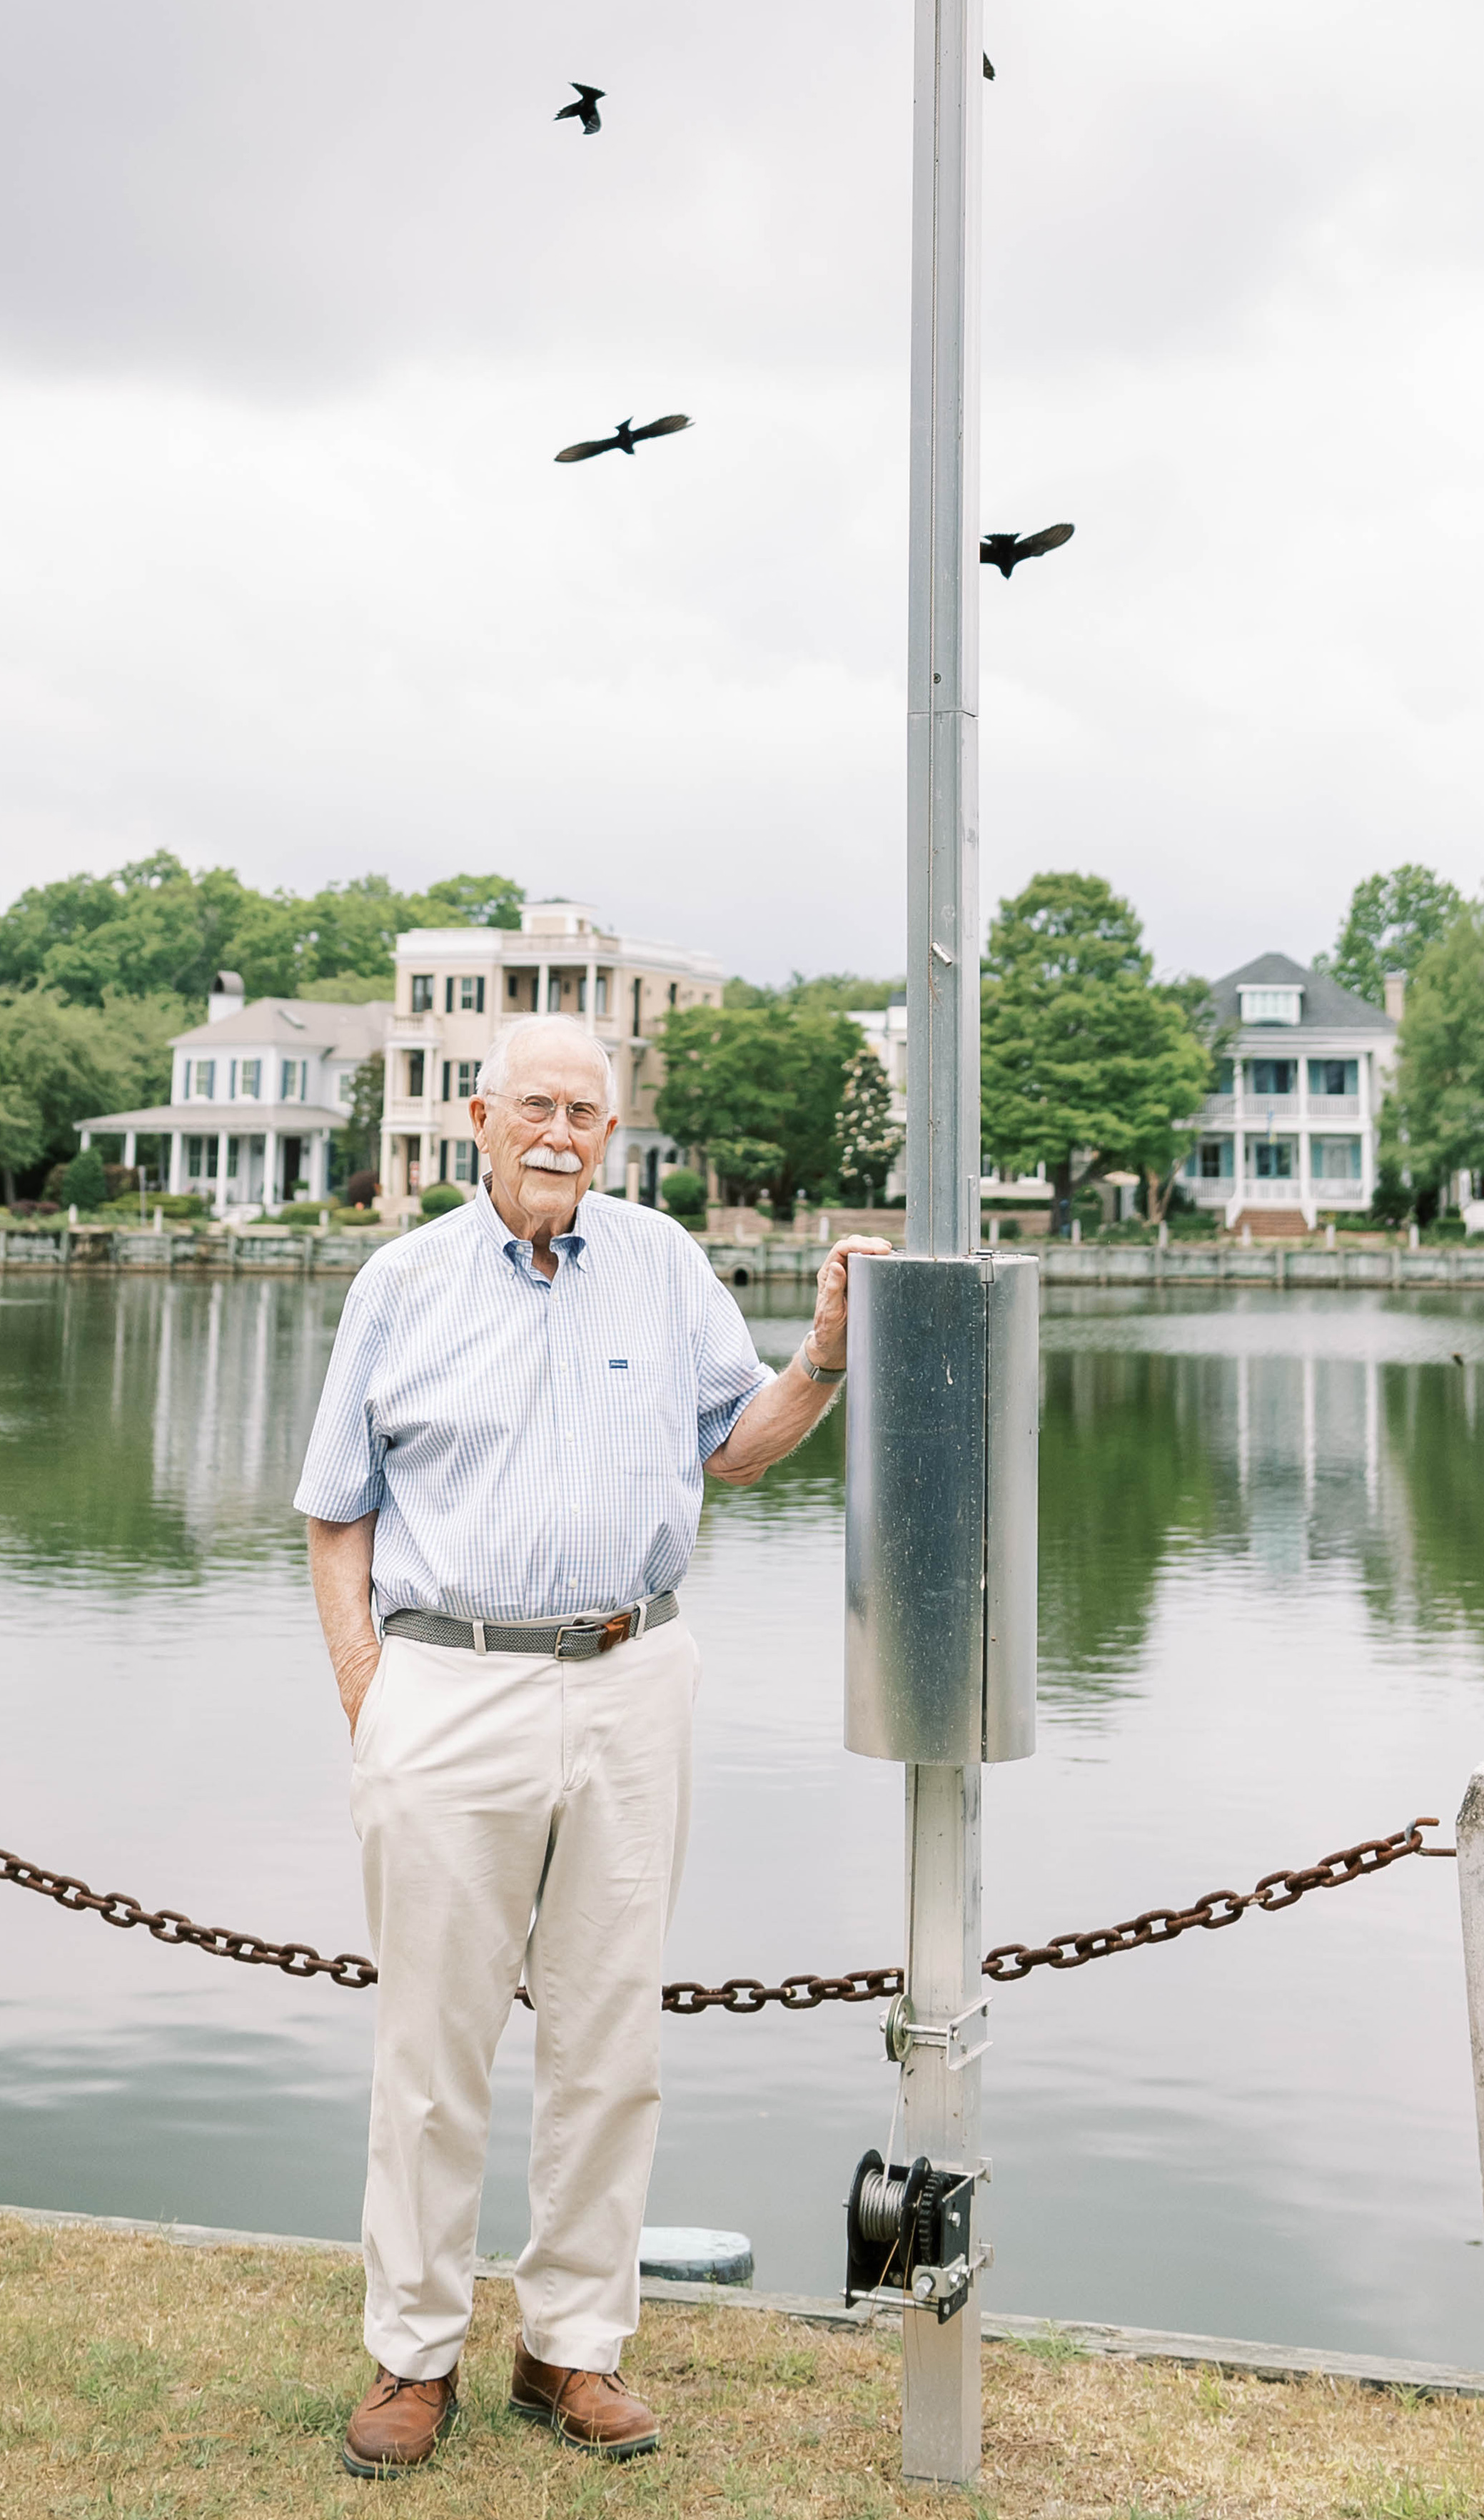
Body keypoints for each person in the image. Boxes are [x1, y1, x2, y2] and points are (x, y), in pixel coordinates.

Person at [296, 1013, 883, 2476]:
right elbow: (333, 1507)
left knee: (611, 2041)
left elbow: (731, 1447)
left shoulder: (662, 1261)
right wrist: (366, 1683)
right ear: (479, 1118)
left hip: (633, 1673)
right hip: (445, 1680)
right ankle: (411, 2355)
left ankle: (569, 2348)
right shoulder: (402, 1280)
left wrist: (820, 1353)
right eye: (539, 1105)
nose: (564, 1130)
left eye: (590, 1111)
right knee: (431, 2052)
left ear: (611, 1133)